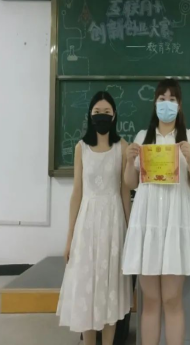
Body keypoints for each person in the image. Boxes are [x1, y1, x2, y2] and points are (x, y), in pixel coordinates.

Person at [122, 79, 190, 346]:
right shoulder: (142, 137)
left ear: (179, 105)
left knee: (171, 299)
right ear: (154, 103)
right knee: (150, 300)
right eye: (162, 99)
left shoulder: (189, 136)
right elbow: (130, 183)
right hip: (148, 223)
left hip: (176, 223)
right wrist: (129, 161)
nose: (166, 104)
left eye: (172, 99)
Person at [57, 92, 132, 345]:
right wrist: (69, 239)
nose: (102, 116)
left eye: (107, 112)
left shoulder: (122, 147)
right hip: (87, 224)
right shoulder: (81, 148)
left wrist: (130, 230)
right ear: (90, 115)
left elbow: (125, 192)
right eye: (97, 112)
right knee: (86, 289)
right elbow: (77, 193)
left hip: (114, 223)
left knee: (111, 289)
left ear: (114, 115)